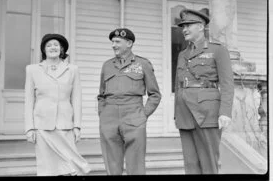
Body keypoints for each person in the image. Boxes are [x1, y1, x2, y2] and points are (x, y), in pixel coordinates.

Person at [174, 9, 234, 174]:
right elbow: (179, 86)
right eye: (182, 26)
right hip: (185, 113)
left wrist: (225, 112)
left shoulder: (217, 50)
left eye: (188, 25)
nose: (184, 29)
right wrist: (176, 112)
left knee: (208, 163)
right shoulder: (182, 54)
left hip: (208, 113)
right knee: (191, 165)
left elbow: (227, 84)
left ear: (201, 26)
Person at [24, 33, 91, 176]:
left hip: (65, 126)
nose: (52, 47)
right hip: (42, 127)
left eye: (56, 45)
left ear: (61, 49)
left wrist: (77, 126)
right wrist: (29, 128)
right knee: (47, 169)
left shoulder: (72, 70)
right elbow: (29, 101)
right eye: (48, 45)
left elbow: (76, 100)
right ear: (43, 50)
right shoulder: (32, 70)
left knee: (71, 167)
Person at [97, 28, 162, 175]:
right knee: (112, 165)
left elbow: (155, 94)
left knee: (136, 166)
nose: (113, 45)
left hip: (134, 115)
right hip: (109, 117)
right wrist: (103, 114)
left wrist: (143, 115)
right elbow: (101, 95)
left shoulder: (143, 64)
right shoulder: (107, 65)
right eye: (112, 42)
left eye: (117, 42)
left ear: (129, 43)